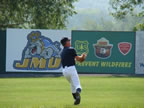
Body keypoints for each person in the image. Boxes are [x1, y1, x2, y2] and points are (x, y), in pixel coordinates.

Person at [60, 37, 87, 105]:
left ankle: (75, 100)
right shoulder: (71, 49)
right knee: (78, 85)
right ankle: (78, 92)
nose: (70, 41)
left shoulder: (62, 52)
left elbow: (71, 59)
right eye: (69, 40)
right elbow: (79, 59)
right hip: (71, 69)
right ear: (66, 42)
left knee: (72, 85)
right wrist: (83, 57)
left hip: (65, 72)